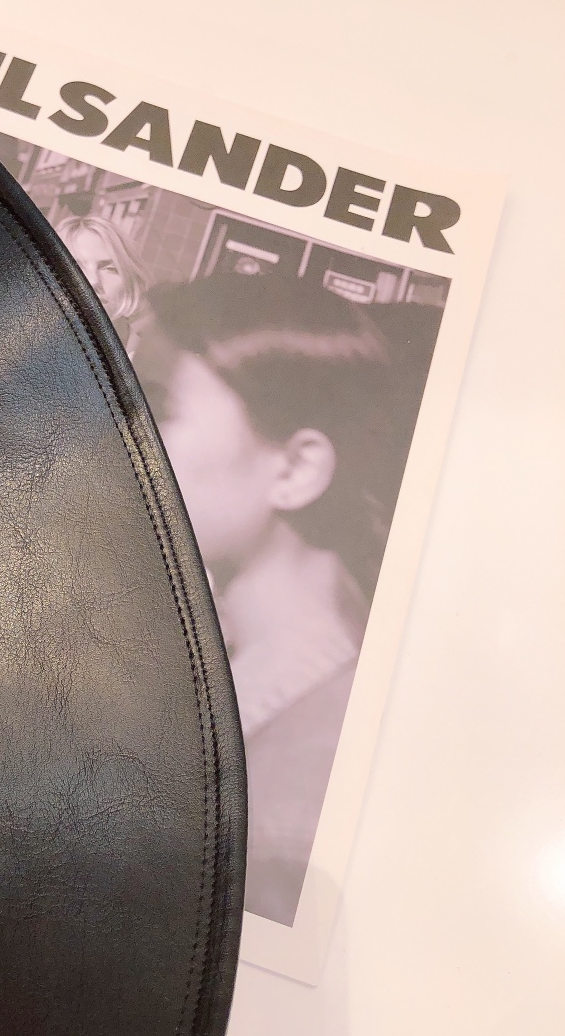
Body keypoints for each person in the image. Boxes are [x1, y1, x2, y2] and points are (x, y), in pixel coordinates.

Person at [140, 273, 406, 926]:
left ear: (294, 471)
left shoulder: (286, 824)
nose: (128, 437)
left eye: (162, 408)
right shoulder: (262, 646)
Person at [56, 214, 152, 358]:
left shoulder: (154, 363)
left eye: (109, 269)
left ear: (131, 280)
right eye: (75, 268)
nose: (93, 281)